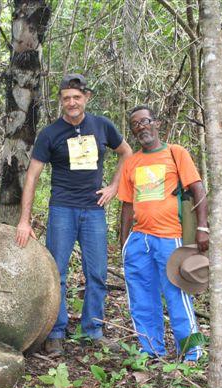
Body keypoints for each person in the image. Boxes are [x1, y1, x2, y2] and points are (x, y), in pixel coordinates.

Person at [15, 74, 133, 355]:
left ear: (86, 98)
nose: (72, 102)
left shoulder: (102, 126)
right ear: (61, 101)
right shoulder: (50, 133)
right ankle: (55, 331)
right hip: (62, 210)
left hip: (94, 211)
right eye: (66, 98)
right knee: (57, 273)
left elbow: (127, 152)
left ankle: (93, 330)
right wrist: (24, 220)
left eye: (76, 97)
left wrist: (114, 186)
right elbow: (32, 177)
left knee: (97, 273)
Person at [118, 106, 208, 362]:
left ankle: (192, 353)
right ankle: (151, 350)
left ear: (156, 123)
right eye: (135, 124)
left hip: (171, 238)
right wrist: (125, 242)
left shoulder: (175, 153)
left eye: (145, 121)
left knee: (178, 295)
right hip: (139, 240)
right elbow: (126, 204)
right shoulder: (132, 162)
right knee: (141, 298)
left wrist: (202, 227)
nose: (141, 127)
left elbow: (198, 189)